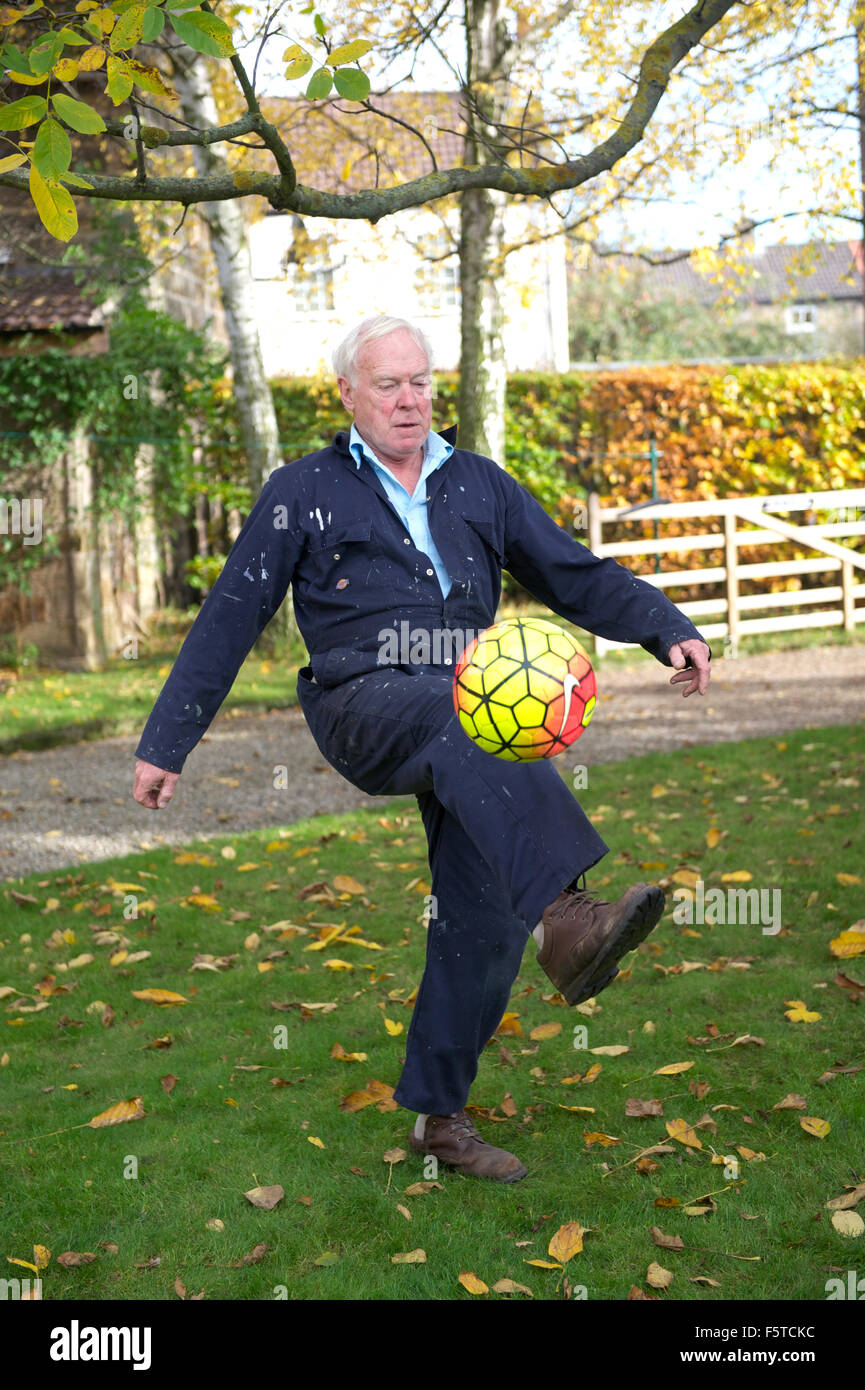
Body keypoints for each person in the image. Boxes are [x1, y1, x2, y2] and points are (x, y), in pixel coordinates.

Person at [133, 315, 711, 1183]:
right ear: (347, 394)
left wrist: (665, 628)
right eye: (387, 385)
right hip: (362, 701)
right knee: (471, 712)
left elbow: (572, 571)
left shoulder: (479, 483)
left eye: (420, 382)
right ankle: (566, 915)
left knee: (478, 916)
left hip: (468, 711)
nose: (408, 401)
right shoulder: (303, 490)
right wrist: (166, 744)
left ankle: (440, 1120)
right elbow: (230, 615)